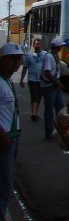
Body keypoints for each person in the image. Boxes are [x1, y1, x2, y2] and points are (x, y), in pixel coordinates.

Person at [0, 43, 24, 219]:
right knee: (4, 186)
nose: (17, 62)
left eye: (19, 58)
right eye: (12, 59)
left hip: (12, 138)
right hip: (4, 140)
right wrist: (3, 137)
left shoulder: (7, 80)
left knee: (6, 184)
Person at [40, 39, 64, 139]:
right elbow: (47, 72)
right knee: (49, 110)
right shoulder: (49, 56)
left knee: (60, 108)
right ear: (58, 47)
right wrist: (57, 82)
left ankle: (60, 130)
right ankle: (49, 131)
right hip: (50, 86)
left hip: (55, 85)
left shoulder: (55, 55)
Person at [18, 38, 45, 122]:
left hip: (42, 80)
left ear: (41, 45)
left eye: (39, 44)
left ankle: (35, 113)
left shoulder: (45, 55)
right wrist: (21, 79)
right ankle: (33, 114)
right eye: (36, 44)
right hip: (32, 80)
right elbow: (25, 68)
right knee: (34, 96)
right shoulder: (29, 56)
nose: (38, 45)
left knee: (39, 97)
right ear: (33, 45)